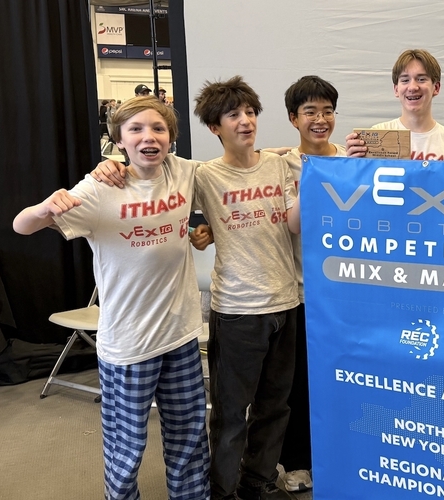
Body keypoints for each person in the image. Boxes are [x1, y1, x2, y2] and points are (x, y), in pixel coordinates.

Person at [13, 96, 210, 500]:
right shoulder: (101, 188)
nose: (148, 137)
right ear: (118, 140)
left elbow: (246, 165)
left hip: (180, 333)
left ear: (171, 137)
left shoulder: (183, 172)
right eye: (135, 129)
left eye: (157, 128)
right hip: (129, 344)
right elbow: (22, 226)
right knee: (126, 446)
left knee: (190, 437)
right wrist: (46, 206)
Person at [187, 77, 300, 500]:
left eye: (250, 112)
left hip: (285, 301)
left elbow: (292, 221)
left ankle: (258, 481)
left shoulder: (278, 165)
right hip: (237, 309)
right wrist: (201, 232)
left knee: (275, 406)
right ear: (215, 127)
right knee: (231, 412)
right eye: (233, 115)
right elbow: (164, 193)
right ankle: (222, 489)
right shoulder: (204, 176)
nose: (246, 121)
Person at [276, 75, 347, 494]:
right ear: (293, 118)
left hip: (346, 294)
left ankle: (342, 456)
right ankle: (299, 462)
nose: (320, 119)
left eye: (327, 111)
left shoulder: (351, 161)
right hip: (302, 293)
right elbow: (293, 224)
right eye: (310, 112)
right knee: (299, 384)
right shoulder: (281, 165)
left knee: (344, 380)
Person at [345, 49, 444, 160]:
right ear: (396, 89)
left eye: (421, 79)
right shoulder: (375, 137)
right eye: (405, 80)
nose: (412, 87)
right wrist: (353, 164)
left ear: (436, 88)